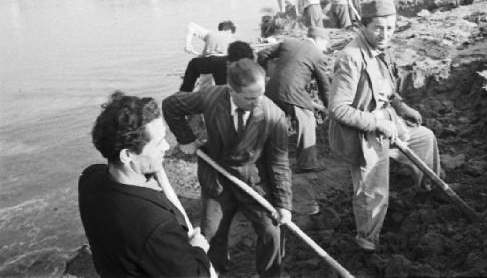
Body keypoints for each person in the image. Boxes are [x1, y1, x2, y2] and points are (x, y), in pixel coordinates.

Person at [328, 0, 441, 256]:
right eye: (378, 28)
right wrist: (377, 123)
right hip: (362, 131)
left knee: (425, 138)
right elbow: (337, 109)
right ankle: (367, 242)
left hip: (388, 119)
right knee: (374, 189)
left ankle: (429, 190)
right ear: (363, 26)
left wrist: (401, 107)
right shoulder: (350, 58)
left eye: (390, 28)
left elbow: (387, 88)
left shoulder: (382, 49)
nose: (385, 34)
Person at [162, 59, 292, 278]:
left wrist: (283, 205)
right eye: (250, 98)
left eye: (261, 94)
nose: (258, 102)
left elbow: (279, 162)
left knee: (272, 231)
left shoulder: (273, 115)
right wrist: (187, 139)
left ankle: (270, 274)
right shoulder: (212, 96)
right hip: (217, 177)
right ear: (231, 91)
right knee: (212, 234)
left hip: (252, 181)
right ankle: (215, 271)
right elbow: (171, 105)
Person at [79, 91, 213, 278]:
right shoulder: (157, 225)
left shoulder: (89, 179)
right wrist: (198, 249)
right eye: (158, 142)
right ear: (127, 155)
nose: (166, 146)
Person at [257, 27, 330, 172]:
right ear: (319, 39)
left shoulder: (288, 43)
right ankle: (307, 164)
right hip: (292, 93)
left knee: (271, 124)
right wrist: (329, 106)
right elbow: (324, 85)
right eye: (326, 44)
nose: (326, 48)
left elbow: (261, 54)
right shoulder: (318, 55)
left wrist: (264, 75)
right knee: (307, 121)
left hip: (270, 90)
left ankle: (262, 159)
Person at [180, 40, 254, 92]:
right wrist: (186, 90)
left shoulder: (251, 64)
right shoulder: (222, 66)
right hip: (203, 64)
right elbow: (194, 63)